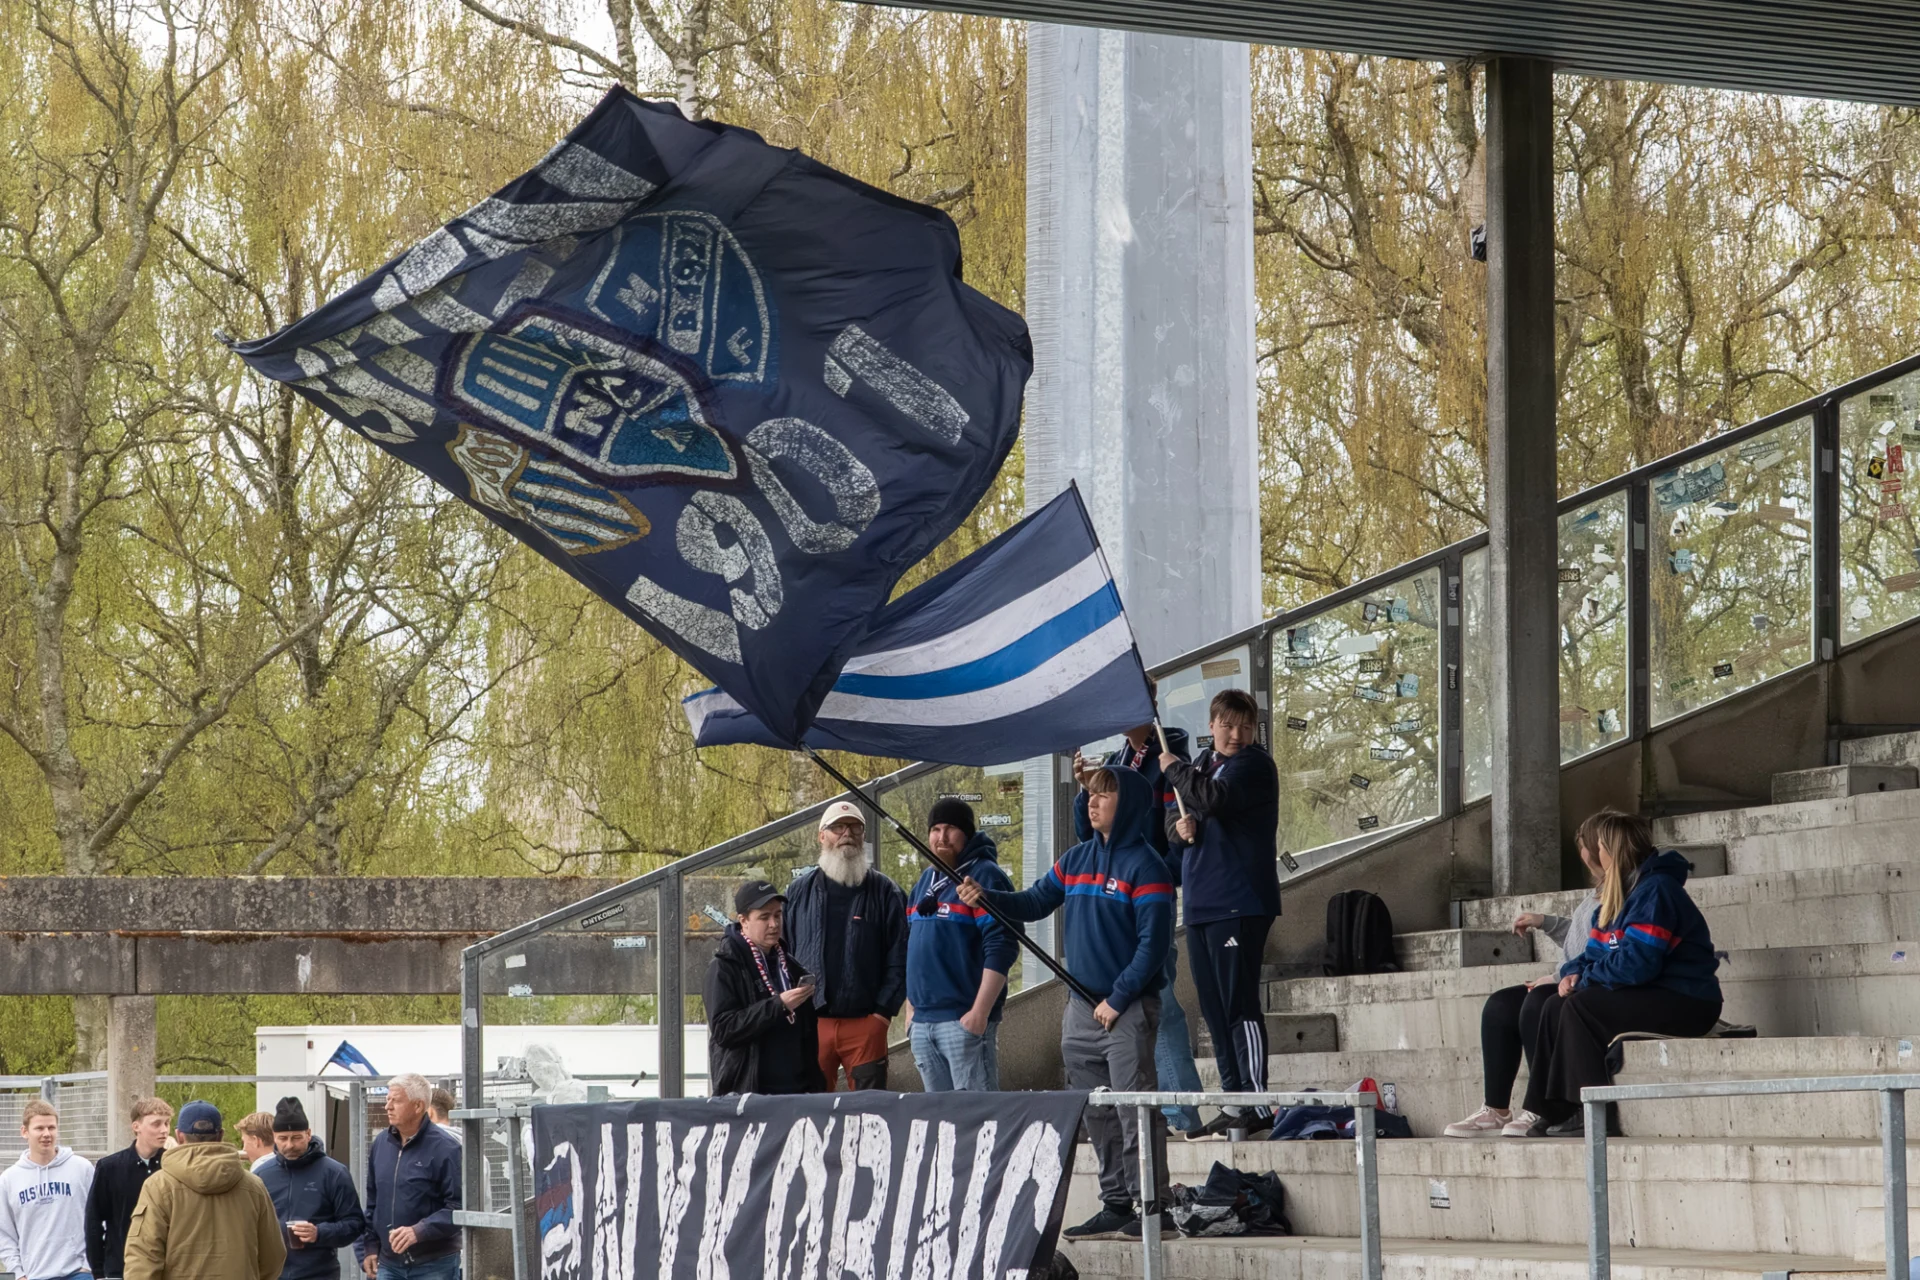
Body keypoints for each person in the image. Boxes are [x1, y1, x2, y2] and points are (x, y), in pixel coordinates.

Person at [960, 767, 1173, 1241]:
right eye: (1091, 795)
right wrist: (985, 897)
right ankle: (1116, 1201)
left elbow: (1153, 946)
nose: (1092, 802)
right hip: (1080, 1008)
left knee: (1134, 1108)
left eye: (1104, 794)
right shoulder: (1074, 860)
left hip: (1126, 1007)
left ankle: (1151, 1205)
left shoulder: (1148, 867)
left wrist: (1118, 999)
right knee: (1095, 1110)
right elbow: (1034, 902)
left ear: (1131, 803)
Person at [1519, 810, 1722, 1137]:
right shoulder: (1618, 897)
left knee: (1581, 1006)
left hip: (1688, 1000)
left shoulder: (1656, 891)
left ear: (1611, 851)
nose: (1591, 856)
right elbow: (1594, 953)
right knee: (1554, 1003)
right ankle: (1555, 1108)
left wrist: (1583, 981)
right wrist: (1572, 974)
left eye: (1597, 846)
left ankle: (1595, 1114)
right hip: (1650, 993)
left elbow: (1638, 963)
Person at [1073, 704, 1205, 1133]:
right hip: (1115, 905)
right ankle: (1160, 1113)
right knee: (1146, 1013)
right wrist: (1084, 792)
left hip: (1147, 893)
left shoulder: (1171, 751)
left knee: (1160, 1006)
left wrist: (1159, 870)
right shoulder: (1115, 761)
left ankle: (1180, 1112)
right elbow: (1089, 837)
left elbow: (1177, 827)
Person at [1161, 688, 1282, 1137]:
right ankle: (1233, 1099)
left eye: (1245, 725)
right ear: (1211, 726)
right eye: (1228, 725)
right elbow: (1177, 826)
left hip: (1240, 900)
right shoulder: (1202, 768)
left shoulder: (1253, 765)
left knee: (1238, 1003)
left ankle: (1255, 1098)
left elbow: (1213, 800)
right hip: (1199, 903)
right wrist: (1180, 828)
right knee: (1212, 1008)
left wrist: (1173, 767)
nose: (1237, 734)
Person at [1445, 813, 1607, 1138]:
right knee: (1500, 1006)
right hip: (1569, 977)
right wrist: (1545, 922)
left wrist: (1557, 975)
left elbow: (1600, 951)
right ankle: (1496, 1109)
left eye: (1586, 847)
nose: (1583, 855)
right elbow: (1580, 938)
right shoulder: (1597, 893)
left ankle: (1544, 1106)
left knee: (1537, 1002)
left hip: (1590, 983)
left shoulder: (1622, 894)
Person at [784, 800, 908, 1090]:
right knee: (810, 1112)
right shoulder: (797, 892)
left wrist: (882, 1013)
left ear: (864, 836)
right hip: (810, 1024)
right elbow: (782, 951)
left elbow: (901, 955)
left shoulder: (886, 891)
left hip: (866, 1023)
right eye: (837, 827)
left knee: (867, 1113)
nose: (847, 833)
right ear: (821, 836)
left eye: (855, 827)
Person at [903, 798, 1019, 1091]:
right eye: (936, 829)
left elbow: (1002, 946)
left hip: (962, 1022)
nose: (941, 837)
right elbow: (912, 948)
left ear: (966, 834)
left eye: (951, 829)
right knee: (941, 1124)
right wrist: (910, 1012)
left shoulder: (984, 876)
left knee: (977, 1121)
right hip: (923, 1023)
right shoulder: (925, 881)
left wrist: (979, 1013)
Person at [122, 1100, 285, 1280]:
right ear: (220, 1135)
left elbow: (143, 1259)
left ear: (179, 1135)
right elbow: (273, 1255)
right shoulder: (253, 1186)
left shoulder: (158, 1186)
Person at [706, 879, 827, 1096]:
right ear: (743, 921)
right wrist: (778, 1005)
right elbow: (724, 1030)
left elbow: (807, 1033)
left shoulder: (792, 967)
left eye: (777, 915)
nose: (773, 924)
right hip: (750, 1095)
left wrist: (815, 1086)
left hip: (797, 1093)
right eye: (764, 917)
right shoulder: (724, 967)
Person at [356, 1074, 460, 1280]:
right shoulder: (380, 1145)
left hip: (434, 1264)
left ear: (418, 1106)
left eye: (396, 1100)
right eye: (387, 1099)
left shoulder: (447, 1149)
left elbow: (458, 1207)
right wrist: (369, 1247)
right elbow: (374, 1202)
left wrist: (419, 1231)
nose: (388, 1106)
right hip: (388, 1264)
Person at [257, 1096, 366, 1280]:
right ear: (274, 1137)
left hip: (320, 1273)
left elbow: (355, 1224)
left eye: (297, 1138)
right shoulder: (261, 1176)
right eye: (283, 1138)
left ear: (308, 1134)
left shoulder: (334, 1173)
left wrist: (319, 1233)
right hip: (272, 1274)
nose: (290, 1145)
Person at [0, 1099, 95, 1280]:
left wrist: (90, 1265)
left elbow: (99, 1217)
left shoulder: (82, 1168)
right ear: (24, 1132)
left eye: (51, 1128)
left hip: (79, 1273)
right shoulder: (9, 1180)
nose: (46, 1134)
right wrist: (19, 1274)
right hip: (35, 1274)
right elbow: (4, 1234)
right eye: (39, 1128)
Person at [86, 1097, 172, 1280]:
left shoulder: (173, 1167)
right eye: (156, 1124)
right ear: (136, 1127)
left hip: (166, 1270)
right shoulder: (110, 1168)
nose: (164, 1130)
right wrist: (99, 1272)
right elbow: (93, 1222)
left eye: (167, 1123)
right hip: (119, 1269)